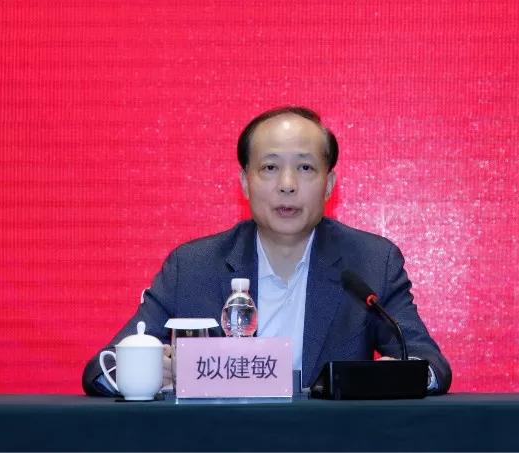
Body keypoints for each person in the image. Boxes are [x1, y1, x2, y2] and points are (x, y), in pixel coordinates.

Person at [82, 106, 452, 396]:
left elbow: (430, 365)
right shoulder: (193, 267)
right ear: (245, 182)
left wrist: (393, 375)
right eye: (270, 167)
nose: (287, 185)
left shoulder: (371, 262)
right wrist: (143, 370)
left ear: (329, 184)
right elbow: (102, 369)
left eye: (305, 167)